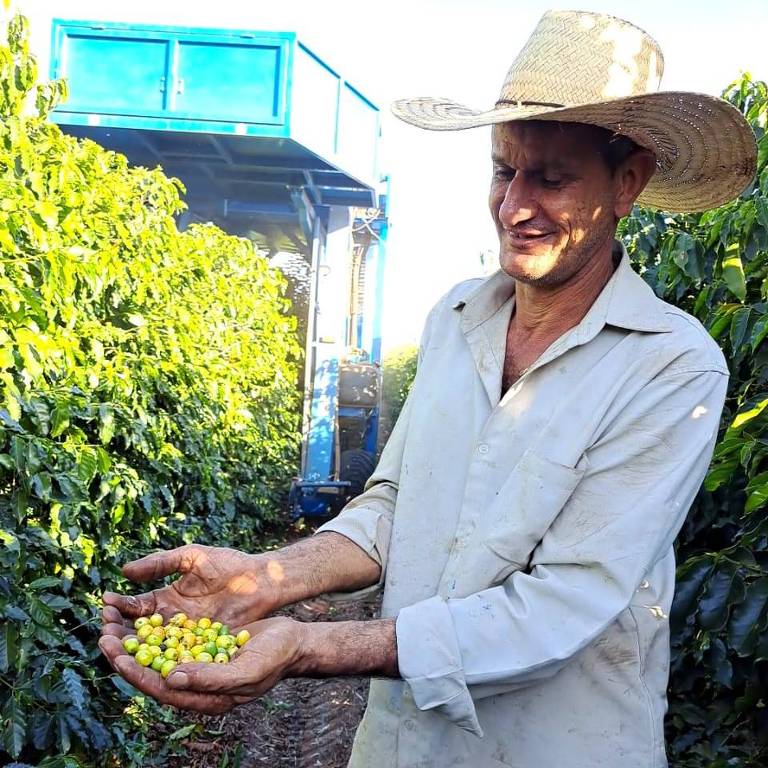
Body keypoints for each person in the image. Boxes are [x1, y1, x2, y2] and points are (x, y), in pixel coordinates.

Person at [100, 10, 757, 768]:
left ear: (628, 182)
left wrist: (309, 647)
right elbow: (392, 507)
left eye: (551, 178)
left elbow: (558, 607)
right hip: (401, 743)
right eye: (504, 170)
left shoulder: (672, 369)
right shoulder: (456, 320)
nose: (514, 207)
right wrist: (264, 576)